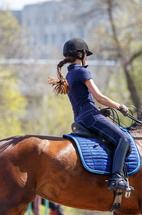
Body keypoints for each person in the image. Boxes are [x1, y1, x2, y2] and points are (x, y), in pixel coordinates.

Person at [49, 37, 133, 193]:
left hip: (80, 118)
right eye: (86, 54)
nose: (87, 58)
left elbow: (80, 102)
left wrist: (99, 111)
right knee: (124, 139)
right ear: (80, 54)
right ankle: (116, 177)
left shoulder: (68, 76)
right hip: (90, 117)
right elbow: (99, 97)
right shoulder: (82, 71)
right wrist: (120, 106)